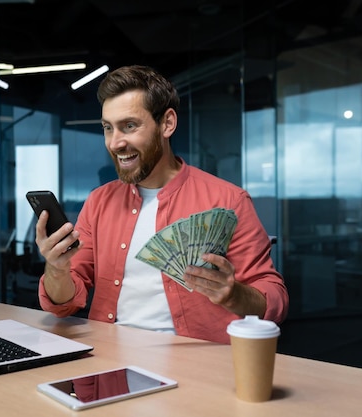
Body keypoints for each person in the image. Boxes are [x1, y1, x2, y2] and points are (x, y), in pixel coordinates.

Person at [35, 65, 288, 344]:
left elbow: (274, 298)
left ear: (167, 123)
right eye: (108, 128)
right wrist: (56, 269)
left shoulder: (228, 200)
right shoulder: (98, 202)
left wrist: (233, 294)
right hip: (108, 363)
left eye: (129, 126)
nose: (115, 142)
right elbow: (64, 304)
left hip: (196, 369)